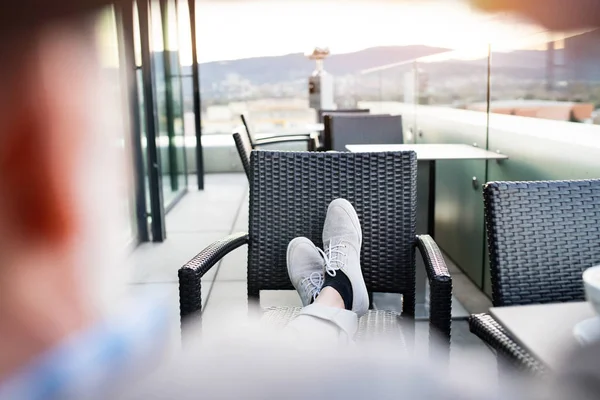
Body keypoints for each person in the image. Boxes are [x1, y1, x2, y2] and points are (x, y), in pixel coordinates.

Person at [0, 1, 600, 399]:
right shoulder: (337, 383)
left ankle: (334, 294)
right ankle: (342, 289)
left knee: (293, 330)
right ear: (44, 143)